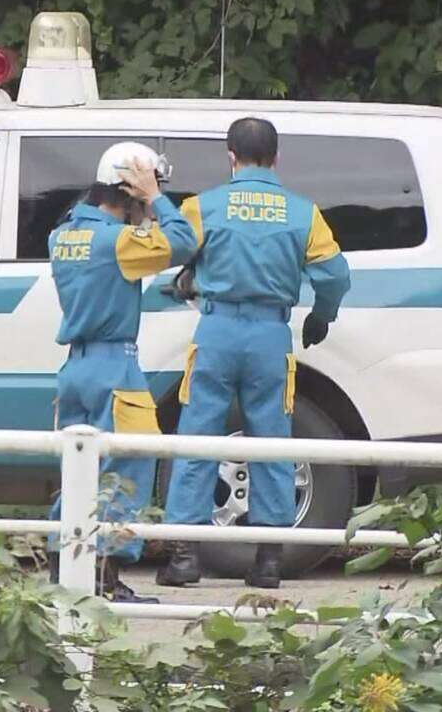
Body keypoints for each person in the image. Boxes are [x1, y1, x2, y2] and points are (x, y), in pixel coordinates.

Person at [158, 117, 351, 589]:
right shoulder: (304, 213)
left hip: (217, 332)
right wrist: (320, 317)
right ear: (276, 158)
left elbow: (170, 251)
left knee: (198, 437)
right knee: (271, 441)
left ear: (231, 156)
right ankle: (267, 560)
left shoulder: (202, 207)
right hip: (270, 336)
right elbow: (335, 276)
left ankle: (184, 557)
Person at [46, 142, 198, 604]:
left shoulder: (63, 235)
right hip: (116, 368)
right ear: (127, 192)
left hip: (75, 368)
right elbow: (184, 241)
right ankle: (104, 579)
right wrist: (157, 198)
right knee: (124, 473)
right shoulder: (118, 243)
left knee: (78, 474)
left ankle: (62, 567)